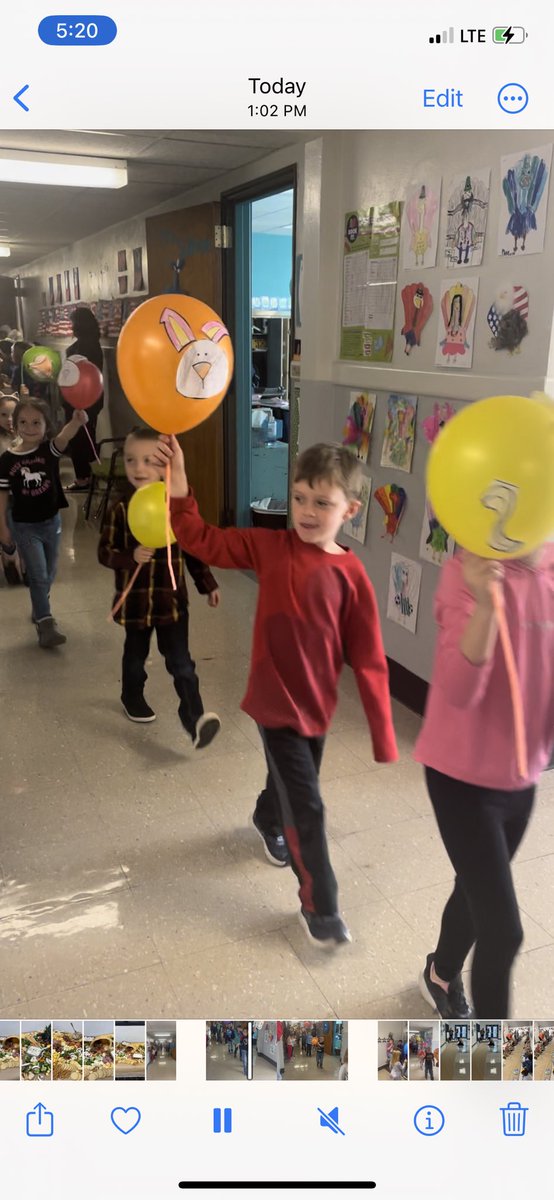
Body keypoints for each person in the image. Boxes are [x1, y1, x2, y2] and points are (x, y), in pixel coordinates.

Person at [153, 436, 398, 947]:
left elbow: (370, 658)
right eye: (300, 497)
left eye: (322, 503)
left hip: (318, 709)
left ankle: (266, 818)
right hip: (274, 706)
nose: (306, 511)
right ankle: (320, 905)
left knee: (288, 786)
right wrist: (178, 483)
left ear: (350, 510)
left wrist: (382, 732)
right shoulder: (270, 548)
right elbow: (202, 538)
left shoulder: (352, 575)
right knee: (307, 807)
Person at [415, 546, 554, 1019]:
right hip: (460, 777)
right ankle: (489, 1068)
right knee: (503, 930)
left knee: (474, 888)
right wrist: (488, 603)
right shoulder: (466, 571)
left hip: (521, 775)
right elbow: (458, 689)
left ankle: (440, 971)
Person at [98, 427, 221, 746]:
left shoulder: (176, 507)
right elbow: (104, 552)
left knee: (182, 663)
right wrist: (129, 556)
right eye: (130, 460)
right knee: (135, 656)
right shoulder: (121, 509)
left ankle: (195, 719)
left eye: (149, 461)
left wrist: (206, 584)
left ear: (166, 463)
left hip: (172, 603)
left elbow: (193, 548)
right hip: (137, 602)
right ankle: (131, 696)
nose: (138, 468)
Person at [0, 398, 87, 646]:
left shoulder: (49, 449)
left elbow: (65, 436)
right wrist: (2, 527)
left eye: (36, 422)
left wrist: (76, 421)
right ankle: (45, 621)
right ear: (14, 425)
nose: (29, 427)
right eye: (23, 422)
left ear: (46, 426)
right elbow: (2, 495)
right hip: (24, 526)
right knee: (37, 574)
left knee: (49, 572)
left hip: (52, 523)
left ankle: (40, 602)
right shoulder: (6, 460)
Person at [63, 307, 104, 492]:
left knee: (80, 439)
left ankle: (84, 479)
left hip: (83, 399)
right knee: (85, 438)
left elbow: (81, 373)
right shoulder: (90, 343)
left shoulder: (87, 346)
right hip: (87, 399)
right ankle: (88, 476)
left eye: (72, 322)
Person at [0, 394, 24, 585]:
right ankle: (8, 557)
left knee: (26, 530)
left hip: (25, 494)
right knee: (6, 530)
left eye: (13, 414)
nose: (9, 419)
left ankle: (27, 563)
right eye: (3, 415)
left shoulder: (28, 437)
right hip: (4, 495)